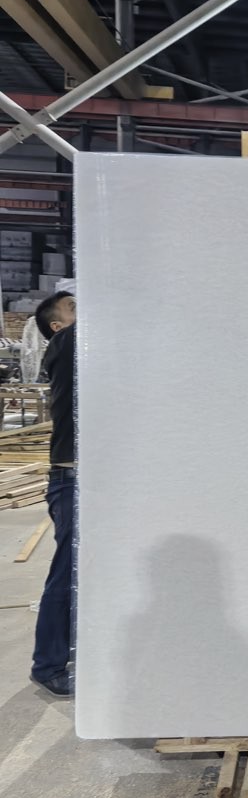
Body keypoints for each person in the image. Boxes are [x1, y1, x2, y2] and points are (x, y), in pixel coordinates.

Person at [30, 290, 76, 698]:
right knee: (67, 572)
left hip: (86, 479)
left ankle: (74, 648)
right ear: (57, 326)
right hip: (71, 480)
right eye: (75, 307)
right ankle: (47, 665)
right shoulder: (63, 344)